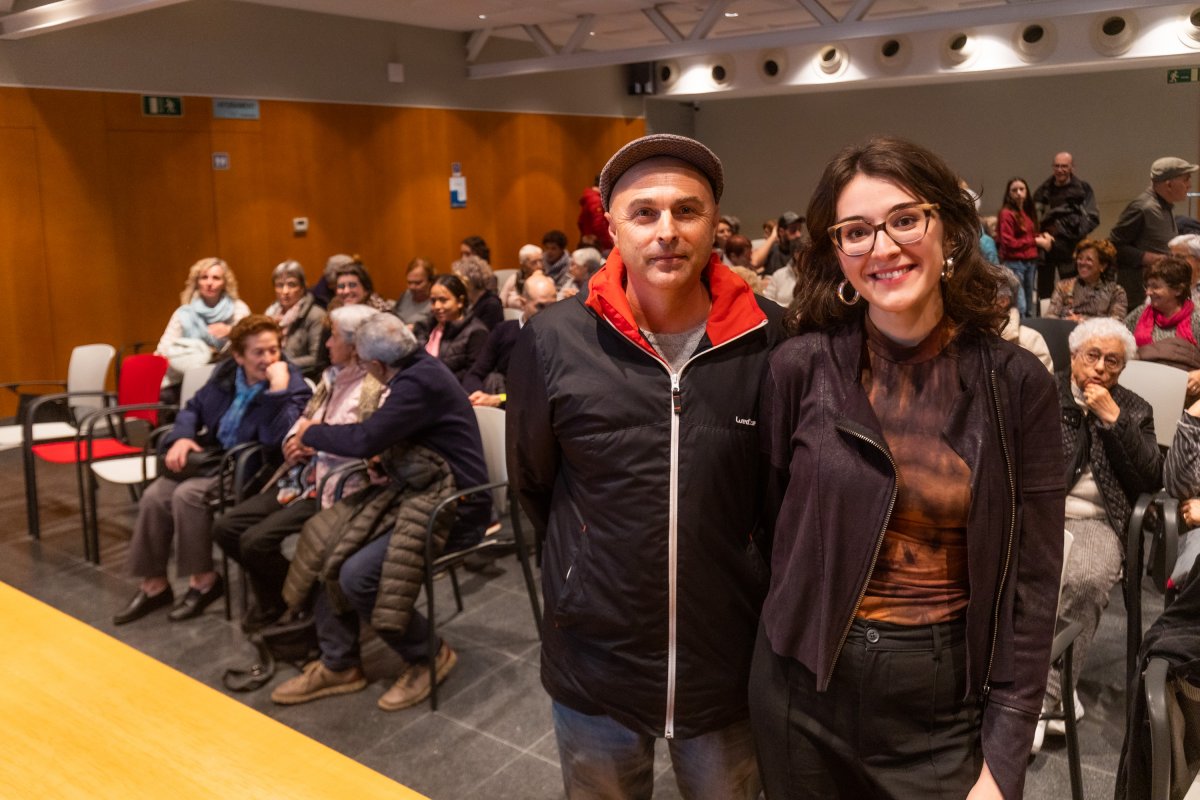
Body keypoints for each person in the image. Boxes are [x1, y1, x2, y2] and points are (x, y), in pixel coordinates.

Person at [751, 136, 1066, 800]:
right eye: (856, 231)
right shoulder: (798, 367)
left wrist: (1005, 758)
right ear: (837, 252)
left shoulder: (1016, 382)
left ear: (949, 229)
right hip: (799, 690)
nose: (883, 248)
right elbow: (769, 523)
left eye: (904, 219)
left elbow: (1033, 588)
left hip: (940, 700)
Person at [508, 133, 782, 798]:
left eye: (687, 211)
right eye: (644, 213)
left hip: (727, 658)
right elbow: (534, 485)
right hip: (595, 656)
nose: (667, 231)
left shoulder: (773, 340)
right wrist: (579, 568)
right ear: (612, 227)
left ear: (715, 223)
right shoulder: (552, 341)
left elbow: (780, 498)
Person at [270, 313, 491, 711]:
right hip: (417, 489)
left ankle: (428, 655)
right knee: (327, 542)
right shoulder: (416, 370)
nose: (329, 344)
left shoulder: (418, 383)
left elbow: (365, 437)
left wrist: (310, 433)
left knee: (357, 574)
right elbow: (394, 440)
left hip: (455, 507)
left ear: (374, 364)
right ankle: (338, 663)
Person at [115, 315, 311, 625]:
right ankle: (154, 585)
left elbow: (278, 441)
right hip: (215, 457)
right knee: (154, 496)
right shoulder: (227, 373)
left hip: (253, 468)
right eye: (258, 352)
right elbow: (193, 407)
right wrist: (182, 437)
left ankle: (204, 582)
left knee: (187, 495)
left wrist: (277, 391)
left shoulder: (291, 382)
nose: (268, 359)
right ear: (238, 356)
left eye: (273, 350)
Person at [1033, 317, 1161, 753]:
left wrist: (1115, 420)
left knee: (1085, 579)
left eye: (1114, 362)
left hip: (1099, 521)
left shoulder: (1135, 408)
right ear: (1073, 356)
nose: (1102, 369)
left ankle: (1043, 699)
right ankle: (1037, 690)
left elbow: (1149, 479)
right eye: (1093, 356)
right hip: (1038, 512)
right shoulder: (1042, 392)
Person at [213, 304, 383, 631]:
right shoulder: (331, 377)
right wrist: (295, 439)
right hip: (302, 476)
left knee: (255, 541)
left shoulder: (373, 386)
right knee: (226, 528)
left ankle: (293, 602)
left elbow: (365, 443)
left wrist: (313, 439)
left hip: (339, 485)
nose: (327, 345)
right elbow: (305, 418)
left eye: (333, 337)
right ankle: (286, 600)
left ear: (355, 344)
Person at [1111, 157, 1199, 307]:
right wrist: (1153, 258)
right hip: (1141, 296)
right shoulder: (1143, 207)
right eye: (1186, 180)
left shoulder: (1164, 206)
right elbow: (1114, 245)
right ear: (1169, 184)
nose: (1189, 185)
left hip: (1159, 293)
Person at [466, 271, 559, 406]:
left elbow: (547, 391)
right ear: (522, 303)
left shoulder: (562, 336)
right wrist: (478, 396)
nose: (550, 313)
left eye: (554, 305)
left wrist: (500, 399)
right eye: (540, 306)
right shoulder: (503, 331)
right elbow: (475, 374)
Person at [155, 257, 251, 384]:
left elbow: (251, 342)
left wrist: (230, 331)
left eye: (216, 278)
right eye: (204, 277)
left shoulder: (238, 308)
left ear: (225, 283)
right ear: (197, 282)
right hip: (186, 377)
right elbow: (163, 350)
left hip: (228, 376)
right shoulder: (184, 312)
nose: (209, 283)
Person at [1125, 256, 1200, 400]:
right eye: (1147, 286)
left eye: (1155, 287)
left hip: (1183, 395)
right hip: (1138, 390)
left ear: (1178, 290)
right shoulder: (1140, 313)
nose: (1148, 292)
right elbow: (1116, 343)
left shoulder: (1196, 319)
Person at [1033, 152, 1100, 300]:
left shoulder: (1083, 190)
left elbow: (1093, 218)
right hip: (1046, 250)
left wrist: (1069, 232)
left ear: (1072, 168)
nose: (1060, 170)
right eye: (1057, 166)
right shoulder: (1043, 191)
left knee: (1074, 291)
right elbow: (1034, 220)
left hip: (1073, 250)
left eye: (1064, 166)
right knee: (1045, 294)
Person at [413, 274, 489, 384]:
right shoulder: (426, 327)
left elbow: (473, 375)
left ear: (460, 302)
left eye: (443, 300)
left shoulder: (476, 332)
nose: (437, 306)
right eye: (433, 301)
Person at [997, 177, 1052, 317]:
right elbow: (1008, 242)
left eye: (1022, 189)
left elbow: (1027, 235)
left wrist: (1042, 235)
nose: (1019, 193)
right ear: (1009, 193)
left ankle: (1029, 331)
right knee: (1020, 303)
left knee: (1029, 302)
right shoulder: (1006, 214)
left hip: (1030, 261)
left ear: (1027, 191)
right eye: (1014, 190)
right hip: (1015, 262)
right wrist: (1036, 241)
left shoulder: (1026, 213)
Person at [265, 259, 327, 379]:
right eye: (279, 285)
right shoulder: (270, 314)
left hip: (303, 377)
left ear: (303, 287)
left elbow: (316, 360)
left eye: (291, 284)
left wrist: (281, 365)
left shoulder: (316, 315)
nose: (285, 291)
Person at [1047, 238, 1128, 321]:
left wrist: (1082, 321)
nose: (1082, 263)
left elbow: (1116, 324)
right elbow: (1050, 319)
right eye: (1080, 258)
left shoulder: (1116, 293)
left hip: (1098, 334)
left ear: (1102, 265)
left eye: (1089, 259)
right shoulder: (1063, 286)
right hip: (1065, 332)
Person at [997, 269, 1053, 371]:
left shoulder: (1031, 341)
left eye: (982, 293)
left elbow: (1044, 385)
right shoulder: (970, 337)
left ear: (1003, 301)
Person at [452, 254, 503, 330]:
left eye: (458, 280)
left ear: (469, 282)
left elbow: (484, 334)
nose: (455, 284)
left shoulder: (491, 304)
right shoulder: (467, 301)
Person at [499, 244, 542, 309]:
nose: (539, 266)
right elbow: (501, 303)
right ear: (523, 265)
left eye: (540, 261)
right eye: (534, 262)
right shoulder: (514, 279)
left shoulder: (547, 281)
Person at [578, 177, 614, 254]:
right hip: (597, 245)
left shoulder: (589, 197)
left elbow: (580, 222)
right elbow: (599, 225)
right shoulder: (596, 200)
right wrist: (609, 243)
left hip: (589, 242)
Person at [393, 258, 434, 325]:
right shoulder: (406, 295)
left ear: (430, 281)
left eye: (418, 283)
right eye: (409, 283)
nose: (412, 287)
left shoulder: (435, 302)